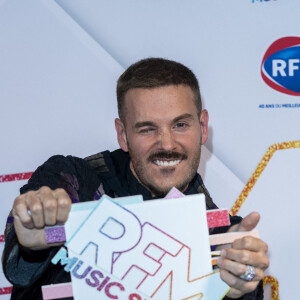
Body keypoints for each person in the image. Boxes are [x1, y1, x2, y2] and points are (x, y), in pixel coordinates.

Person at [2, 58, 269, 299]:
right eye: (147, 129)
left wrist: (240, 286)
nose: (167, 144)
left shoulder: (222, 237)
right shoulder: (75, 180)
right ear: (122, 135)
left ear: (202, 128)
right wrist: (30, 244)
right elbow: (22, 264)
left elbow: (240, 282)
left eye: (180, 125)